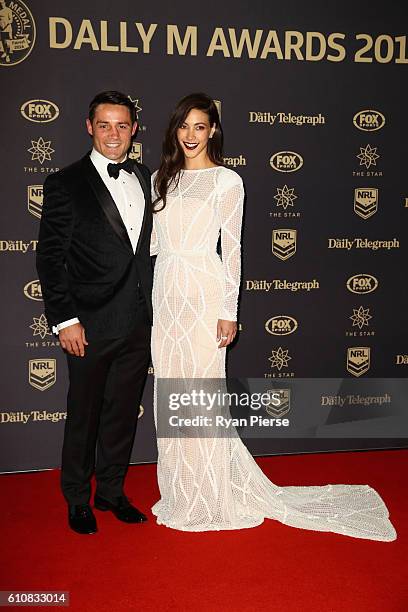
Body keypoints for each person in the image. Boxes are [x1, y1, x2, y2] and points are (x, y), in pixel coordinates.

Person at [149, 92, 396, 541]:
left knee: (202, 397)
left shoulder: (228, 181)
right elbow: (156, 249)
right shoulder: (159, 179)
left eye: (200, 126)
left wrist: (229, 311)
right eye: (184, 125)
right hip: (165, 297)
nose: (190, 135)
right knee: (171, 393)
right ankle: (182, 490)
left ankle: (211, 493)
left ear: (213, 131)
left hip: (204, 293)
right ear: (174, 130)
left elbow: (233, 250)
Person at [37, 91, 153, 535]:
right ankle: (77, 498)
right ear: (89, 127)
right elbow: (50, 258)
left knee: (122, 414)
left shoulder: (144, 177)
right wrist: (65, 320)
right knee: (83, 415)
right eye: (104, 124)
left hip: (137, 322)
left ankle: (110, 491)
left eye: (121, 125)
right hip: (87, 324)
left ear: (133, 129)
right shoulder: (64, 183)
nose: (113, 134)